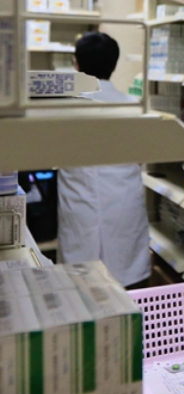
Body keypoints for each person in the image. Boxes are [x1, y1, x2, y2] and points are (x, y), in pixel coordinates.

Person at [57, 32, 151, 289]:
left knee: (80, 289)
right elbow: (142, 158)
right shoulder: (134, 106)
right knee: (128, 289)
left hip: (79, 207)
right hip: (123, 204)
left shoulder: (61, 108)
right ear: (115, 64)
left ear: (76, 64)